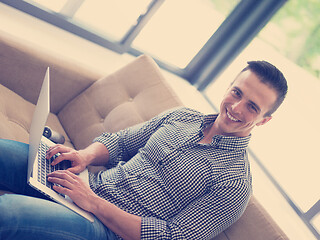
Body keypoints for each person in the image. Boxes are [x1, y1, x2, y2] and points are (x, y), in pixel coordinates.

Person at [0, 60, 288, 240]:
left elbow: (173, 237)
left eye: (252, 106)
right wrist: (84, 156)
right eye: (237, 92)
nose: (236, 108)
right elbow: (122, 141)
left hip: (106, 229)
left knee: (7, 214)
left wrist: (94, 203)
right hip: (86, 184)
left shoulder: (235, 183)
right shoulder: (182, 116)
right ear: (229, 86)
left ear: (264, 120)